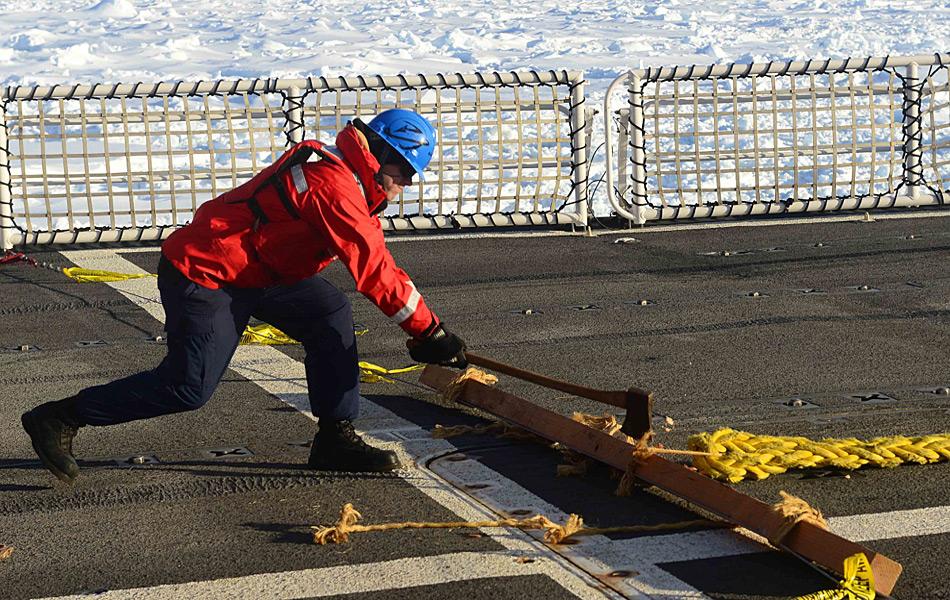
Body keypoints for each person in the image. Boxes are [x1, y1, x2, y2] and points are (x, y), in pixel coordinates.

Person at [21, 108, 468, 484]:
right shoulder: (334, 184)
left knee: (328, 311)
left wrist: (428, 331)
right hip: (208, 272)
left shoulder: (348, 178)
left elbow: (373, 262)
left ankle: (335, 438)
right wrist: (431, 333)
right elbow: (374, 269)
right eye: (404, 171)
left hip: (263, 271)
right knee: (188, 387)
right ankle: (61, 416)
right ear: (382, 154)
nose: (406, 184)